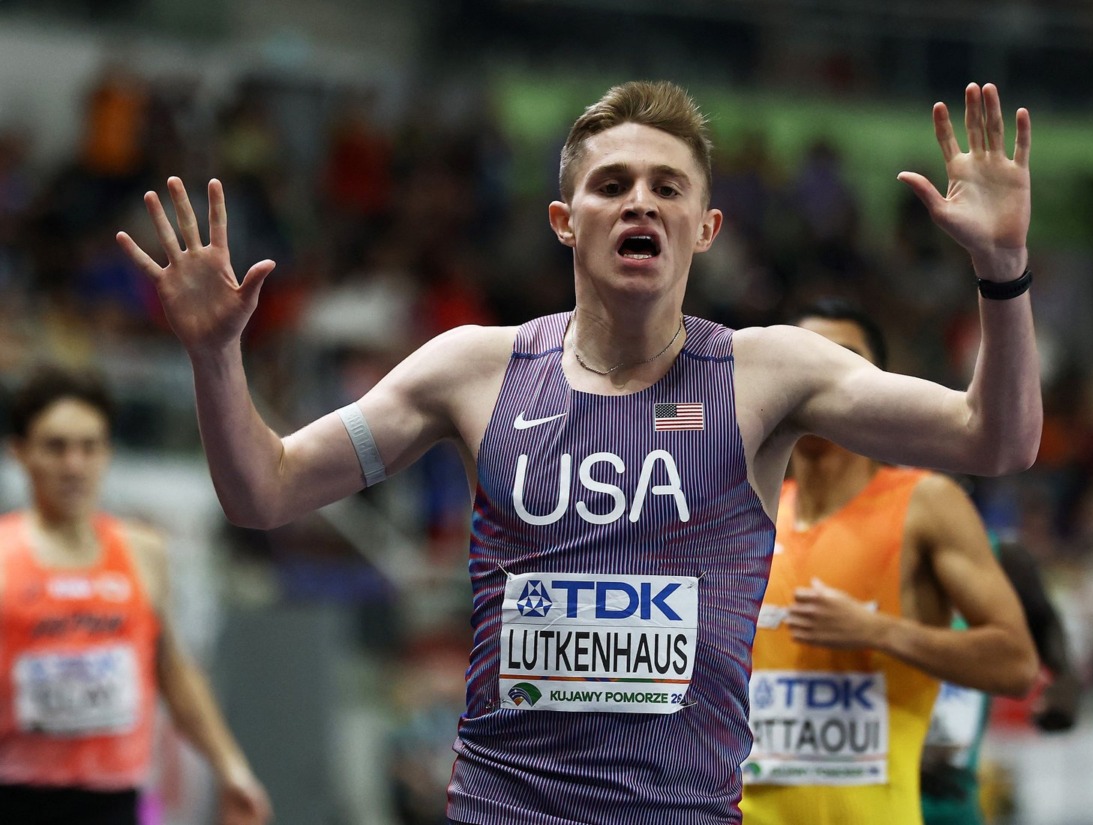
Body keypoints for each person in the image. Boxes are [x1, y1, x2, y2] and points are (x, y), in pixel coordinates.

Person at [116, 79, 1041, 824]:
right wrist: (214, 356)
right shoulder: (471, 369)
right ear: (565, 219)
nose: (640, 201)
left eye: (668, 187)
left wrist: (1003, 273)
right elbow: (265, 489)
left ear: (705, 228)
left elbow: (996, 438)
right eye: (612, 184)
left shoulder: (768, 372)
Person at [739, 299, 1038, 825]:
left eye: (842, 357)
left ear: (875, 382)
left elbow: (1015, 664)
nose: (817, 377)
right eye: (805, 361)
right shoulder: (751, 510)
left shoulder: (927, 504)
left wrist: (877, 631)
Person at [0, 365, 272, 825]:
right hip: (17, 795)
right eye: (56, 447)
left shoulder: (142, 552)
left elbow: (174, 671)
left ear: (107, 453)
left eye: (89, 446)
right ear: (21, 453)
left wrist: (232, 767)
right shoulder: (4, 556)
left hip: (115, 800)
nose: (74, 465)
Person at [921, 536, 1083, 825]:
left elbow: (1043, 619)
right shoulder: (869, 548)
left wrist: (1065, 680)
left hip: (954, 802)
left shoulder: (1000, 557)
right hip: (875, 796)